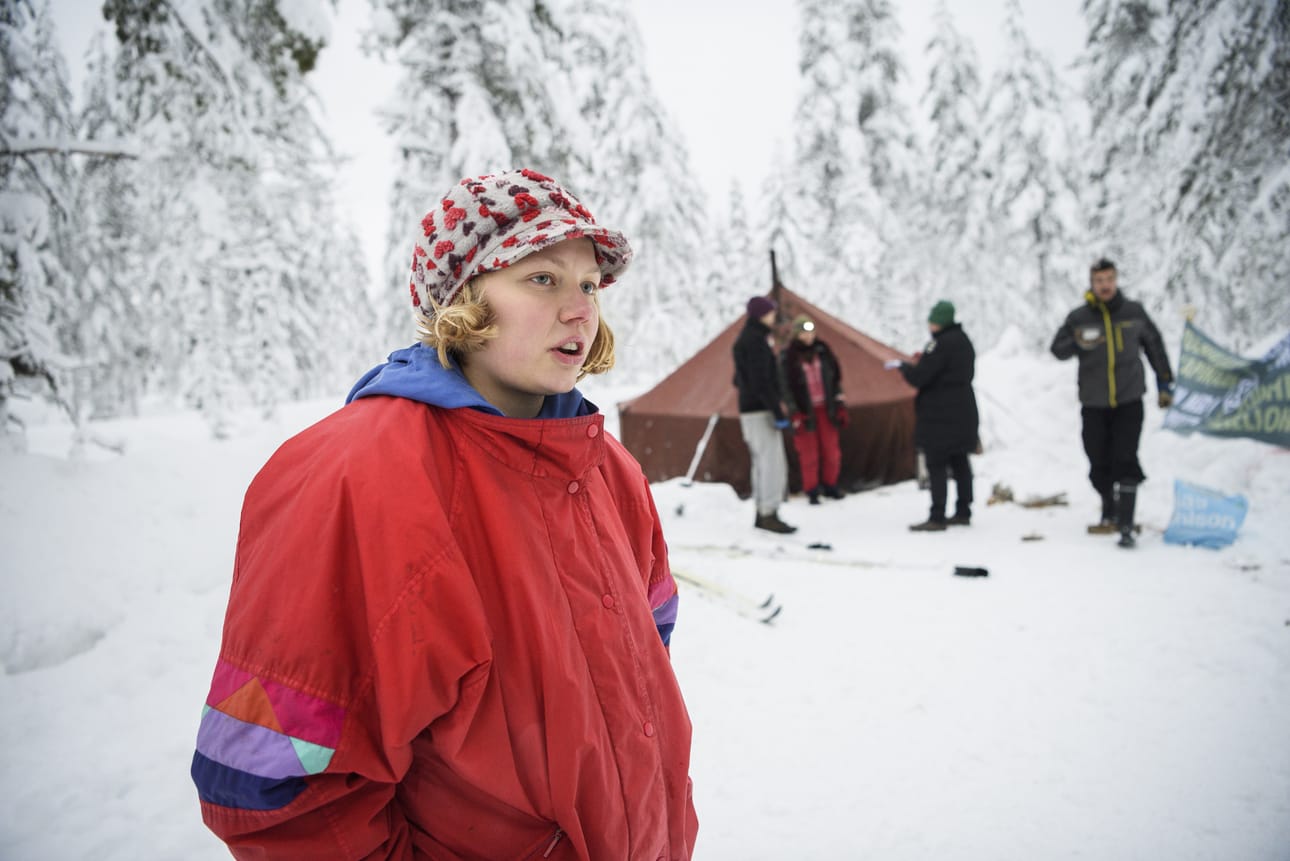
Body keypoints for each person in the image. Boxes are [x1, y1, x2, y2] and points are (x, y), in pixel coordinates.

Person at [191, 169, 699, 859]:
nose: (581, 310)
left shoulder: (608, 468)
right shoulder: (358, 477)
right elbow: (270, 781)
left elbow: (644, 660)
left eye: (588, 284)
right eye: (543, 278)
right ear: (461, 299)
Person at [1051, 257, 1174, 548]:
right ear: (1092, 283)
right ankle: (1110, 508)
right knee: (1098, 461)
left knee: (1125, 458)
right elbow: (1057, 349)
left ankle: (1126, 525)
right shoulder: (1079, 317)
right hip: (1093, 402)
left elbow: (1154, 345)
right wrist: (1078, 342)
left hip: (1129, 399)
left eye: (1109, 280)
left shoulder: (1133, 312)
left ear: (1116, 280)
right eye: (1099, 281)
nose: (1105, 286)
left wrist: (1165, 382)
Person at [890, 300, 979, 531]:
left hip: (939, 414)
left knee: (937, 463)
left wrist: (906, 367)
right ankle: (963, 510)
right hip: (963, 409)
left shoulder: (939, 345)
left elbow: (921, 377)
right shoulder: (963, 341)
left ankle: (937, 515)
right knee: (960, 462)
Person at [732, 294, 796, 533]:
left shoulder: (745, 340)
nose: (773, 316)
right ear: (761, 314)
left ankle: (762, 511)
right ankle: (769, 512)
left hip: (750, 410)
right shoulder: (756, 340)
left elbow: (739, 379)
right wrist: (776, 410)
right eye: (770, 312)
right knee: (772, 464)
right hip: (760, 411)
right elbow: (761, 381)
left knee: (761, 463)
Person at [781, 314, 848, 504]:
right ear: (797, 334)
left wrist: (840, 403)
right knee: (808, 453)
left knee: (831, 451)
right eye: (804, 333)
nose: (809, 337)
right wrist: (794, 411)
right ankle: (811, 489)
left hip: (826, 409)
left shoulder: (823, 351)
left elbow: (835, 379)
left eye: (811, 332)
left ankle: (830, 485)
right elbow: (785, 387)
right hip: (804, 411)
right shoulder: (788, 357)